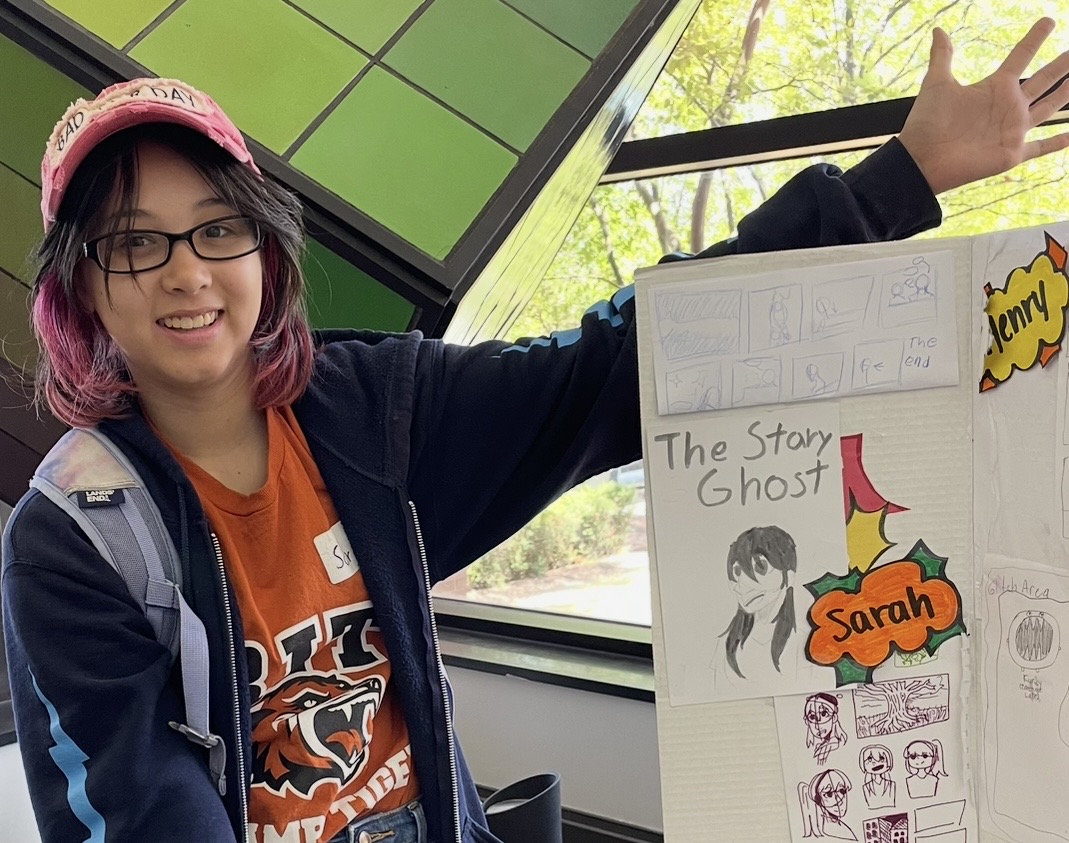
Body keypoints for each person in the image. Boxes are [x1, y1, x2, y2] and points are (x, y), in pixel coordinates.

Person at [4, 17, 1069, 843]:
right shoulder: (77, 534)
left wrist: (901, 178)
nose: (186, 272)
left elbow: (621, 359)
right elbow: (141, 808)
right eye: (134, 244)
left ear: (265, 252)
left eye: (217, 229)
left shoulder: (377, 414)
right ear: (82, 290)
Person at [717, 525, 799, 684]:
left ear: (789, 577)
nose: (742, 584)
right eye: (737, 572)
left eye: (761, 567)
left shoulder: (801, 641)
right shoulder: (726, 645)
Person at [798, 768, 857, 840]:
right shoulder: (826, 832)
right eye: (829, 794)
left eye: (842, 791)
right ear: (819, 799)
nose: (839, 799)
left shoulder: (845, 829)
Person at [804, 692, 847, 764]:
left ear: (834, 717)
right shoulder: (814, 748)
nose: (817, 725)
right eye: (812, 717)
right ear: (807, 721)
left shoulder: (837, 746)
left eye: (824, 714)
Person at [860, 744, 896, 809]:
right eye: (870, 759)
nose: (875, 763)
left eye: (882, 759)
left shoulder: (892, 784)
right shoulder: (866, 787)